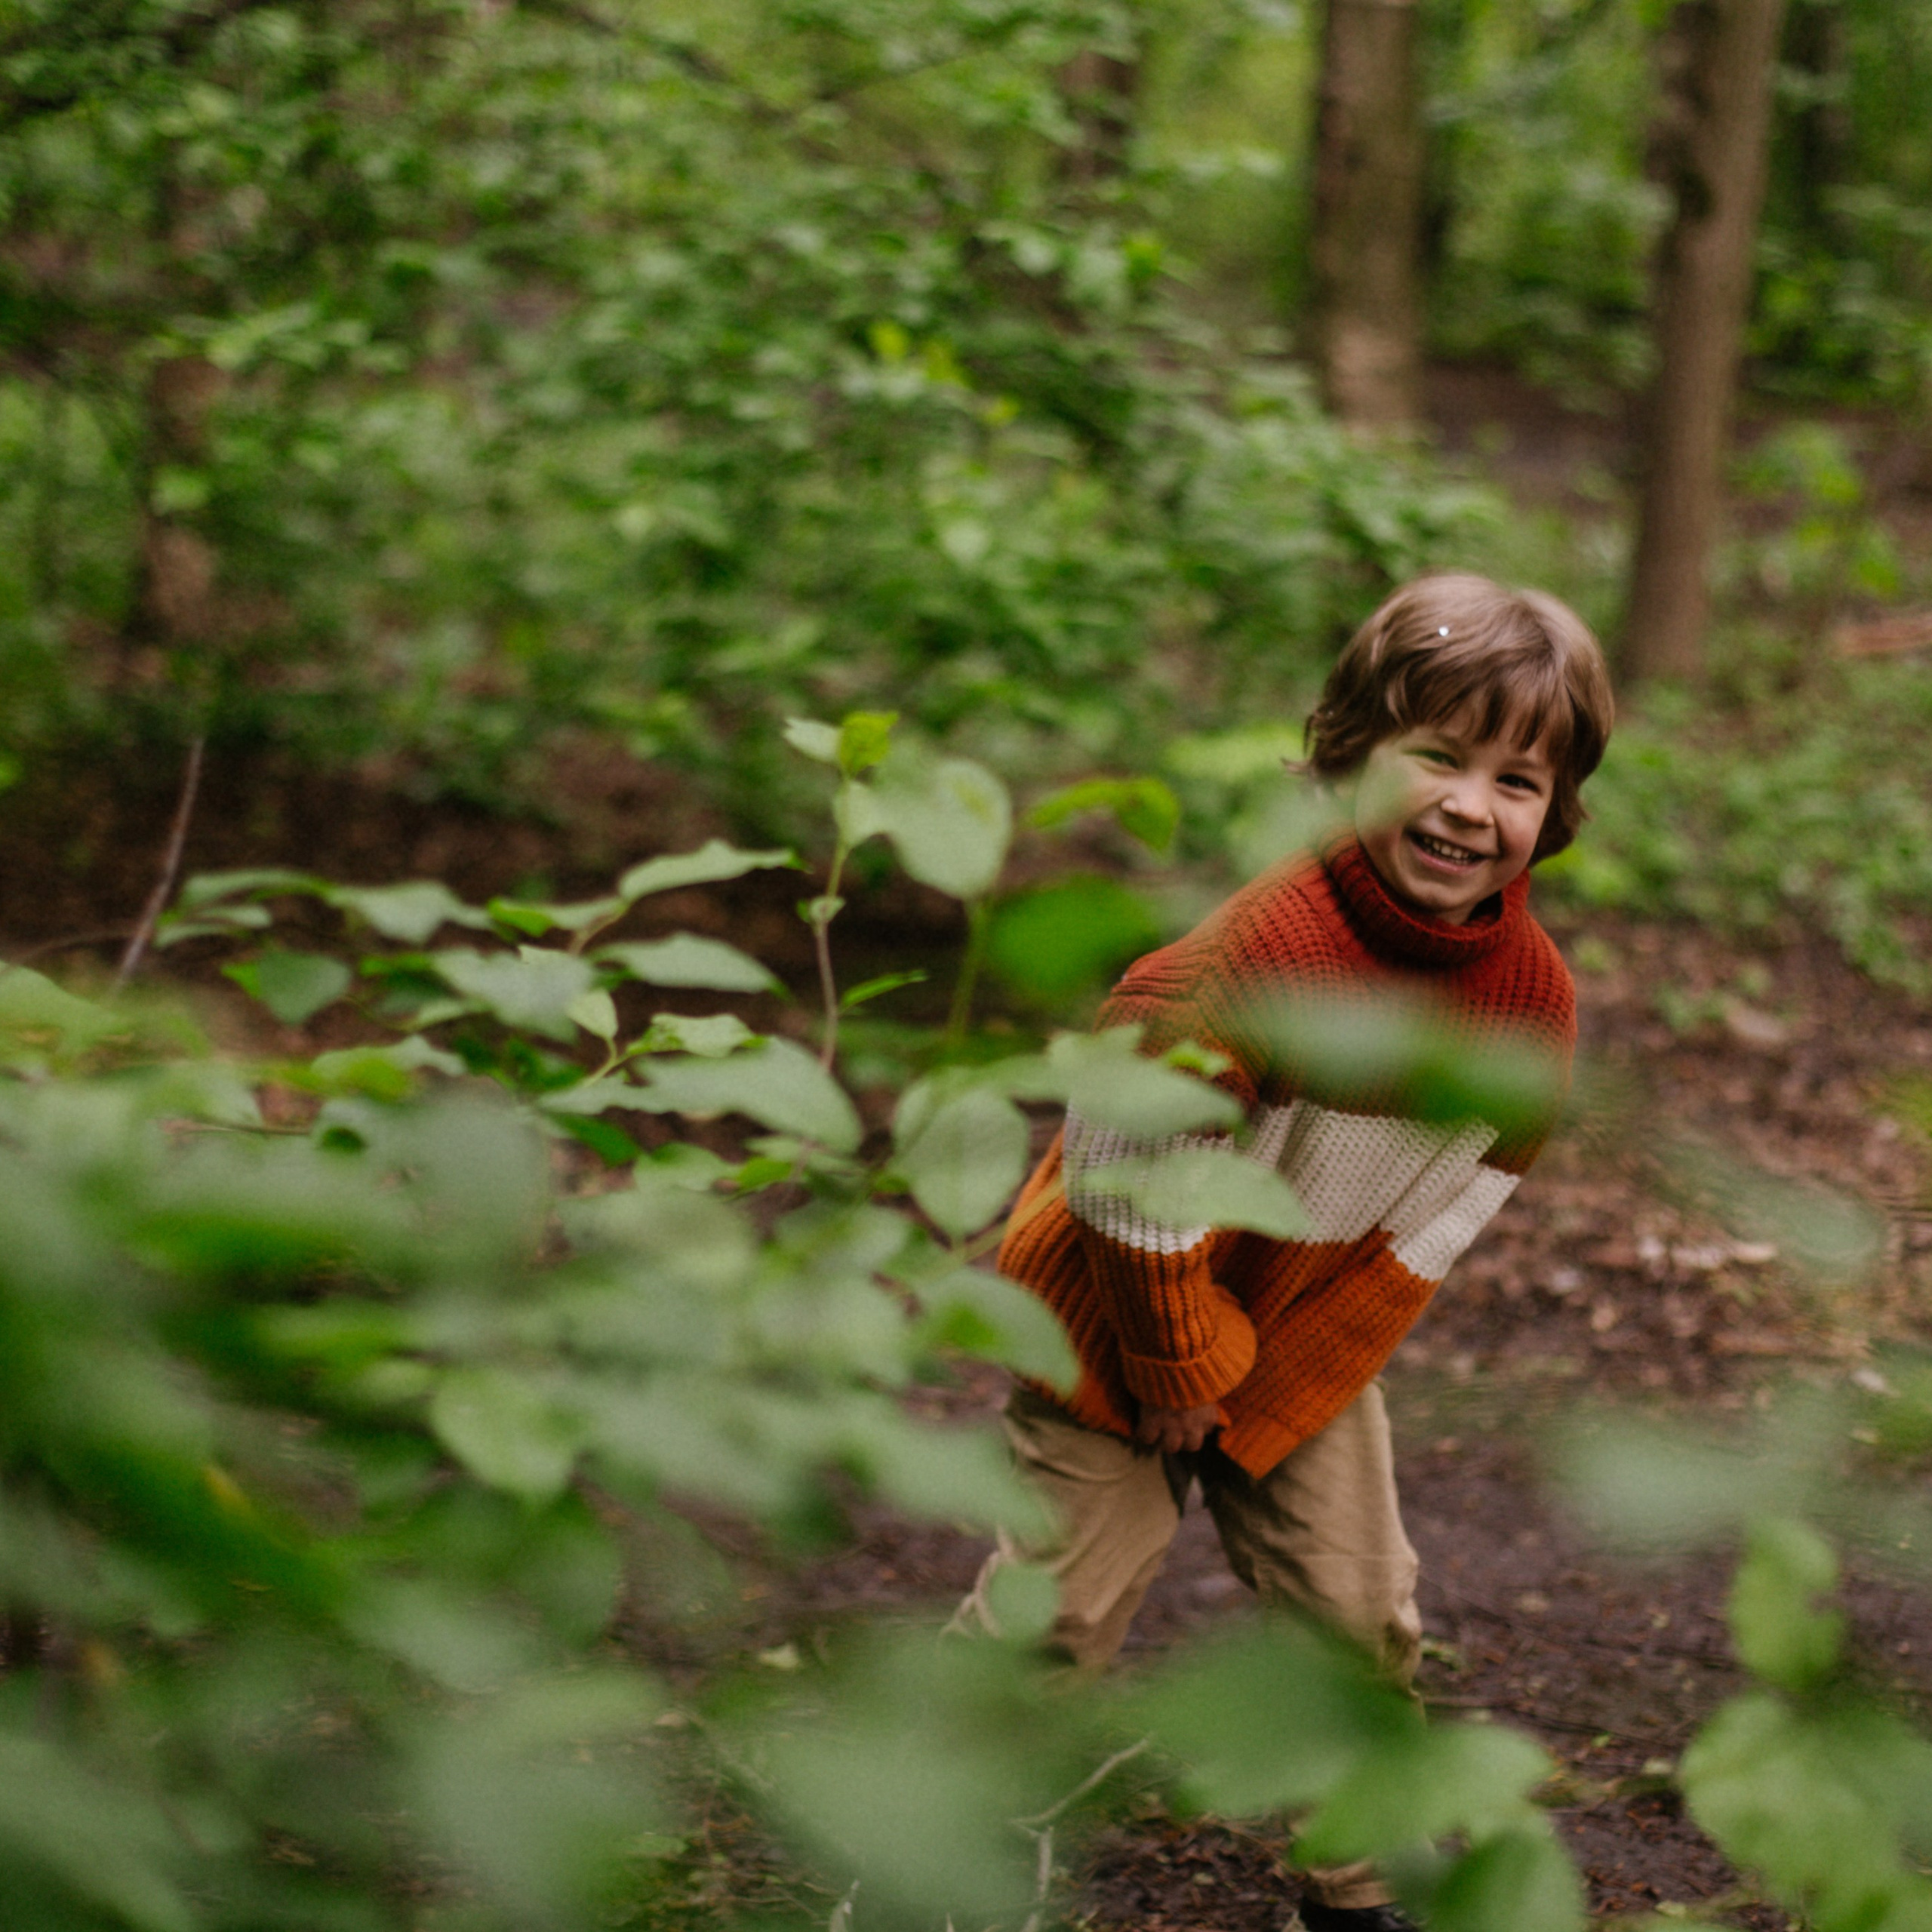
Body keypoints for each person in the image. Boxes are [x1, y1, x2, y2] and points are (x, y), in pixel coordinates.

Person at [956, 574, 1614, 1932]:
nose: (1465, 807)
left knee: (1359, 1614)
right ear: (1349, 758)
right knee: (1059, 1623)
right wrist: (1179, 1359)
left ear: (1554, 814)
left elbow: (1446, 1210)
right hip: (1109, 1312)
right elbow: (1126, 1174)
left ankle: (1362, 1887)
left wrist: (1294, 1370)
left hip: (1286, 1322)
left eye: (1516, 781)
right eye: (1434, 756)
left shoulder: (1528, 1006)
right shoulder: (1243, 964)